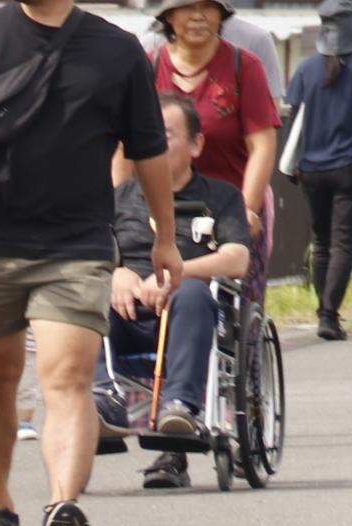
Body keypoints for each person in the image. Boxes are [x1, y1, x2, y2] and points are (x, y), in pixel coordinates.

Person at [0, 0, 179, 526]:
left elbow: (149, 148)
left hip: (75, 241)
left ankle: (61, 505)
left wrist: (162, 239)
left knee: (66, 377)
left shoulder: (115, 51)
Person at [108, 94, 252, 489]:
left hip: (192, 314)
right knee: (87, 302)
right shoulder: (120, 198)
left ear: (196, 145)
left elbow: (237, 258)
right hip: (129, 311)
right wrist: (117, 274)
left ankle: (180, 407)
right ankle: (103, 400)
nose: (153, 143)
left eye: (166, 135)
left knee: (191, 294)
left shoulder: (221, 197)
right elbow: (89, 252)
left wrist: (177, 274)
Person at [281, 0, 352, 342]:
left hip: (312, 168)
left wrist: (294, 162)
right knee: (343, 242)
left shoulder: (305, 68)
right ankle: (329, 315)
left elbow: (293, 119)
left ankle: (322, 311)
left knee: (321, 242)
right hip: (351, 166)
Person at [147, 0, 278, 241]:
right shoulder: (148, 65)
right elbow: (125, 148)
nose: (198, 16)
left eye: (208, 7)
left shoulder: (245, 66)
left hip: (229, 209)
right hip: (156, 212)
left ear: (221, 14)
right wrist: (121, 209)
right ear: (169, 15)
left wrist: (247, 208)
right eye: (187, 7)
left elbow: (262, 145)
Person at [167, 0, 286, 102]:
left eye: (206, 1)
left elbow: (270, 111)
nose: (197, 16)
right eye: (186, 3)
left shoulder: (256, 41)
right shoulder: (152, 49)